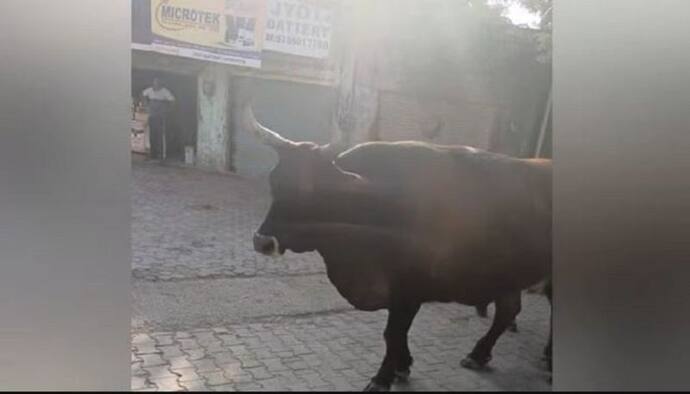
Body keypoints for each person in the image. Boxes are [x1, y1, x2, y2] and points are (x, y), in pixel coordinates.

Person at [141, 77, 175, 160]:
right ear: (153, 83)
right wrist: (146, 105)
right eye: (154, 83)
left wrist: (167, 110)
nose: (156, 85)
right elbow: (142, 95)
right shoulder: (149, 90)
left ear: (160, 83)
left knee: (160, 135)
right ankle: (153, 154)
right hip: (152, 115)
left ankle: (161, 155)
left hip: (160, 117)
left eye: (158, 83)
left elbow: (173, 100)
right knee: (152, 135)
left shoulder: (164, 91)